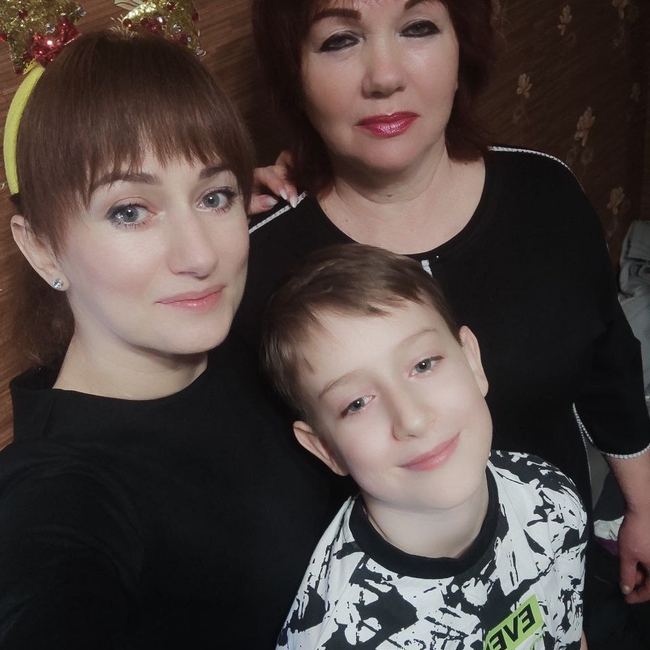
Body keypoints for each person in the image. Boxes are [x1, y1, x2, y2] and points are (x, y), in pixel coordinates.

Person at [236, 0, 650, 632]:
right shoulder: (250, 269)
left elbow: (607, 360)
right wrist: (205, 213)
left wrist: (642, 504)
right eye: (340, 40)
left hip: (553, 571)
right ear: (295, 74)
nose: (384, 76)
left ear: (463, 48)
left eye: (418, 27)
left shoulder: (544, 192)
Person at [0, 30, 338, 648]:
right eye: (129, 211)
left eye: (215, 196)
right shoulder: (58, 497)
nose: (200, 255)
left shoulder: (250, 339)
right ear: (42, 247)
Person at [261, 244, 588, 649]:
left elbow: (568, 627)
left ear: (472, 361)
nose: (412, 420)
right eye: (357, 403)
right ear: (326, 448)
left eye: (423, 364)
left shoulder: (550, 498)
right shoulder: (333, 635)